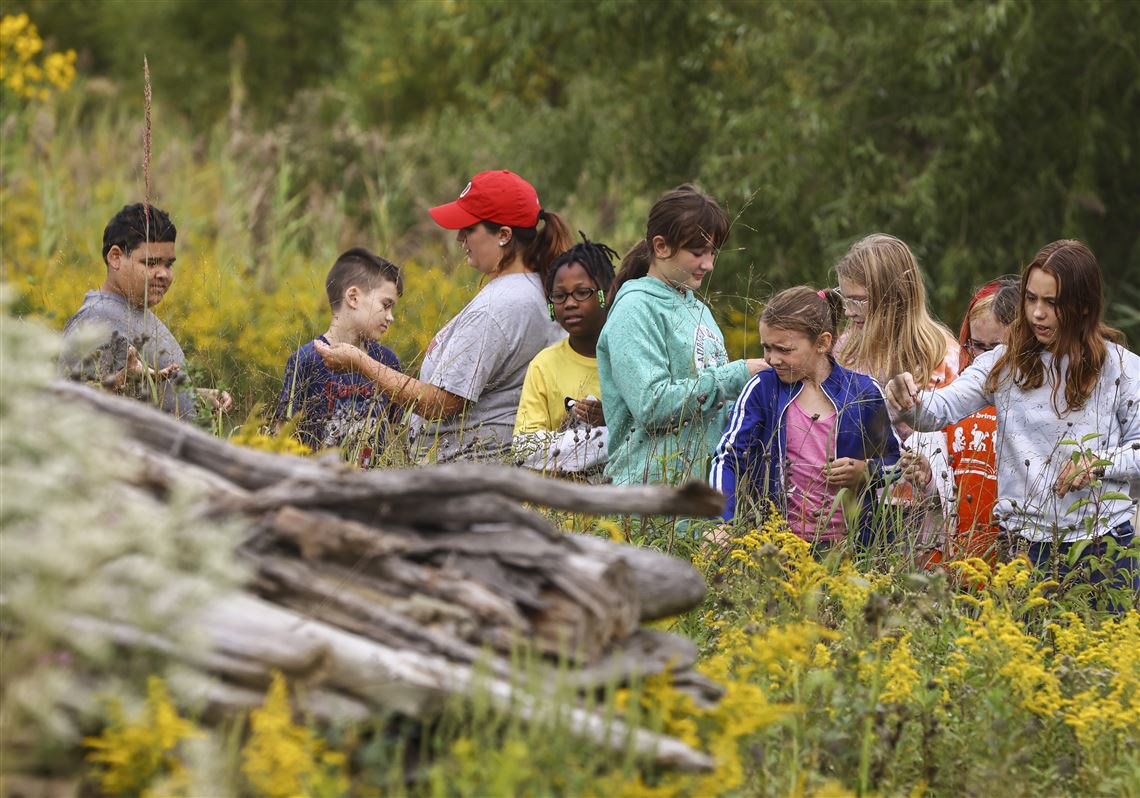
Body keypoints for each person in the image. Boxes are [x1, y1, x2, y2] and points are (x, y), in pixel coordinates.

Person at [886, 240, 1140, 603]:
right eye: (1031, 299)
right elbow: (937, 411)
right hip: (1024, 548)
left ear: (1084, 306)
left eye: (1051, 302)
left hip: (1104, 547)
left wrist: (1098, 464)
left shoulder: (1121, 368)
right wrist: (906, 399)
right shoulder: (1004, 363)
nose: (1037, 313)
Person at [315, 170, 570, 462]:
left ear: (504, 235)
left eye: (470, 229)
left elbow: (439, 405)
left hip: (468, 476)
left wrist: (361, 363)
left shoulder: (498, 307)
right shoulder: (539, 288)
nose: (460, 237)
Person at [596, 184, 768, 486]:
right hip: (647, 501)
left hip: (701, 495)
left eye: (713, 252)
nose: (709, 264)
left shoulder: (699, 309)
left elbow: (713, 404)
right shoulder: (635, 308)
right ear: (661, 246)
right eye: (698, 252)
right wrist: (738, 375)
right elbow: (651, 404)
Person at [709, 287, 902, 546]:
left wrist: (866, 471)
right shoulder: (762, 388)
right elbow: (728, 458)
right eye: (766, 347)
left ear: (822, 343)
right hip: (776, 547)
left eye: (784, 349)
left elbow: (896, 461)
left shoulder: (863, 392)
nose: (772, 359)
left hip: (849, 550)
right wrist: (723, 523)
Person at [833, 233, 961, 555]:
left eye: (858, 300)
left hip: (920, 521)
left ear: (895, 297)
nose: (848, 311)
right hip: (852, 513)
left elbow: (953, 453)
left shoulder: (940, 356)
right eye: (844, 298)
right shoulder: (845, 351)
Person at [60, 203, 231, 420]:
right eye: (150, 263)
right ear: (115, 257)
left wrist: (194, 397)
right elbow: (72, 412)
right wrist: (121, 380)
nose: (163, 274)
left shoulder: (135, 311)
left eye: (168, 264)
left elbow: (143, 394)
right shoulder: (96, 321)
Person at [901, 278, 1020, 563]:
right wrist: (925, 475)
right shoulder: (952, 400)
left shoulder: (1030, 407)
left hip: (1013, 554)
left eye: (998, 348)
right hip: (956, 555)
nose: (987, 359)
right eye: (978, 346)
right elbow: (942, 484)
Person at [273, 248, 403, 466]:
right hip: (318, 484)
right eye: (386, 305)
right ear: (353, 297)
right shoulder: (307, 359)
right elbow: (282, 435)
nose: (391, 317)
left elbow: (395, 432)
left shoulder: (389, 362)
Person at [512, 236, 617, 477]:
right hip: (557, 510)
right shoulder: (544, 365)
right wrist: (600, 436)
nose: (570, 303)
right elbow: (524, 449)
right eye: (560, 296)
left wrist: (611, 418)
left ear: (606, 295)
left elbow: (645, 436)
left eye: (582, 292)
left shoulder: (628, 358)